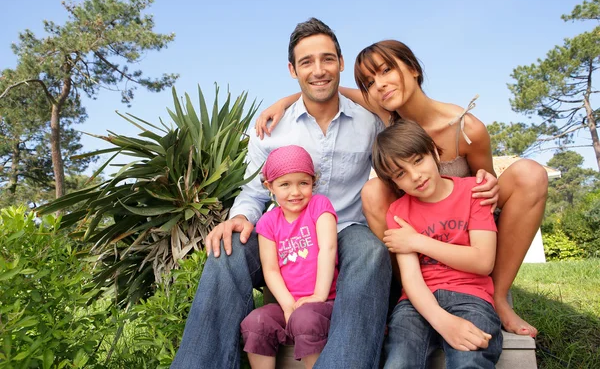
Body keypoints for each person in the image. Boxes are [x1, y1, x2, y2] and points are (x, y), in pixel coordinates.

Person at [255, 39, 548, 337]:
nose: (379, 85)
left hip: (460, 224)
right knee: (373, 191)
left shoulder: (466, 128)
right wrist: (284, 102)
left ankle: (496, 298)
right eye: (370, 81)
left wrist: (490, 183)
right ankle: (407, 293)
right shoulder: (385, 113)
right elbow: (327, 90)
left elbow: (482, 180)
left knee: (530, 174)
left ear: (412, 68)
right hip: (414, 227)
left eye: (386, 71)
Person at [171, 18, 391, 369]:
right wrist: (240, 217)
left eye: (327, 59)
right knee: (227, 249)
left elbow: (402, 130)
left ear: (341, 63)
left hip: (345, 229)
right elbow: (253, 192)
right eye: (306, 62)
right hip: (283, 233)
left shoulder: (370, 122)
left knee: (372, 253)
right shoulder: (270, 129)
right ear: (292, 69)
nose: (318, 70)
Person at [373, 119, 503, 368]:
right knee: (399, 362)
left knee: (470, 360)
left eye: (418, 160)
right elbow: (410, 280)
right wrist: (443, 322)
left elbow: (483, 262)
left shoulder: (473, 192)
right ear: (394, 184)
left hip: (470, 297)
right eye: (401, 174)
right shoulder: (399, 212)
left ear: (433, 151)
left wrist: (417, 241)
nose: (415, 176)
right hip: (416, 303)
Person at [240, 145, 338, 369]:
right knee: (255, 322)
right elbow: (271, 269)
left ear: (313, 182)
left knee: (305, 319)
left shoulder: (319, 206)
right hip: (290, 302)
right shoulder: (268, 222)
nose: (295, 192)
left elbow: (328, 249)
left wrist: (318, 295)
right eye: (285, 184)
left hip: (325, 302)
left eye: (303, 183)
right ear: (270, 186)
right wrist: (286, 305)